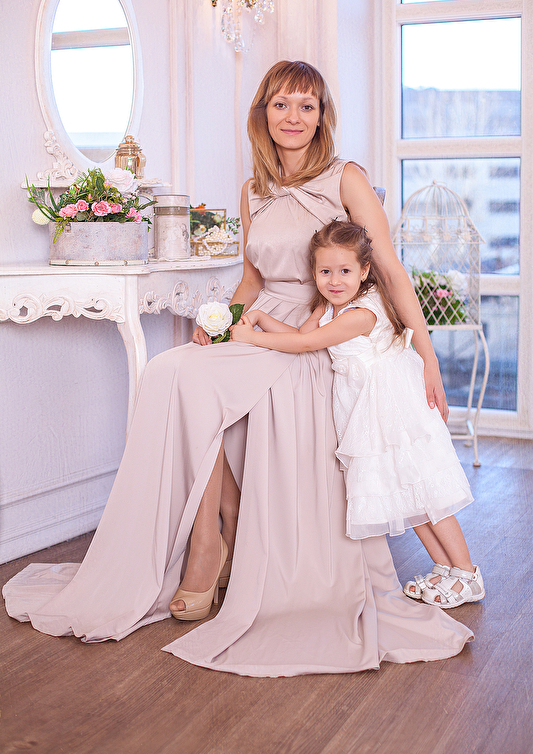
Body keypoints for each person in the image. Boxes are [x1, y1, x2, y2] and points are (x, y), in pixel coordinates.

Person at [2, 61, 473, 676]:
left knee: (192, 379)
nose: (293, 117)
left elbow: (387, 266)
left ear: (322, 117)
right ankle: (212, 535)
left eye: (307, 106)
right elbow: (251, 279)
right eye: (281, 104)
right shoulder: (254, 191)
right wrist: (221, 318)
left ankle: (215, 546)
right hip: (261, 323)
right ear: (263, 115)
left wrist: (424, 351)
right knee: (172, 370)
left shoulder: (347, 178)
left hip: (313, 334)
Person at [231, 220, 485, 609]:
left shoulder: (362, 313)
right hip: (367, 410)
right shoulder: (329, 306)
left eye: (345, 271)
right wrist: (262, 318)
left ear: (364, 271)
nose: (334, 281)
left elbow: (309, 344)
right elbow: (300, 336)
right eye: (325, 271)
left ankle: (467, 573)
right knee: (404, 494)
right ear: (315, 271)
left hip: (392, 409)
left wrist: (251, 336)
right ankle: (444, 567)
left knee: (425, 490)